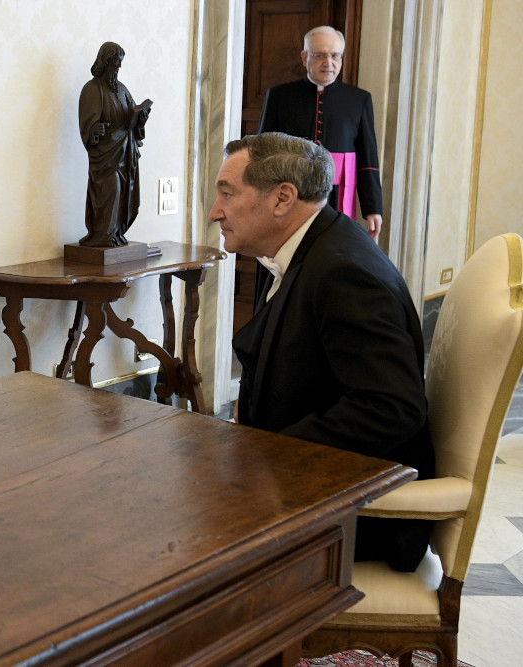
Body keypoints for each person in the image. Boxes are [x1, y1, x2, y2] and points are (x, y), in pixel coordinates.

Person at [211, 132, 434, 572]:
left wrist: (268, 457)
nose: (216, 211)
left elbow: (392, 407)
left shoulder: (344, 273)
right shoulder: (313, 248)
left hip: (356, 515)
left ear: (282, 199)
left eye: (227, 193)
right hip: (303, 484)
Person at [258, 26, 383, 241]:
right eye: (319, 55)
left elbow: (367, 159)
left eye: (335, 55)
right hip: (289, 193)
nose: (328, 62)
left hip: (336, 198)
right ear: (305, 57)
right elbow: (262, 152)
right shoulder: (280, 96)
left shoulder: (359, 100)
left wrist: (373, 208)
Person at [77, 41, 151, 247]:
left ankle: (116, 235)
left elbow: (131, 119)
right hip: (105, 157)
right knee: (111, 191)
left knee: (124, 194)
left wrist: (140, 118)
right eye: (115, 64)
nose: (118, 68)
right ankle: (103, 236)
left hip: (125, 153)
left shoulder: (122, 90)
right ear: (105, 62)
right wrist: (94, 130)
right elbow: (86, 124)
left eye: (120, 64)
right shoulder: (92, 89)